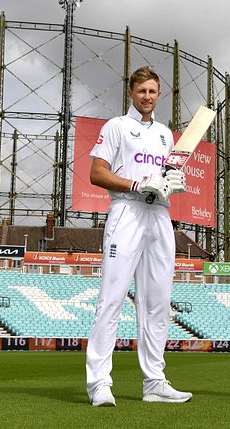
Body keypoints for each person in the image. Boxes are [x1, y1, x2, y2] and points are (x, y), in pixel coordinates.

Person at [85, 66, 192, 407]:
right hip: (127, 211)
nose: (147, 96)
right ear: (131, 93)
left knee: (158, 301)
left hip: (159, 214)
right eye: (141, 91)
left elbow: (169, 174)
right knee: (111, 299)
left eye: (152, 91)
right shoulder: (116, 127)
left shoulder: (165, 134)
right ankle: (99, 383)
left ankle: (155, 382)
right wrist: (134, 184)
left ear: (159, 95)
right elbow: (96, 173)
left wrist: (174, 182)